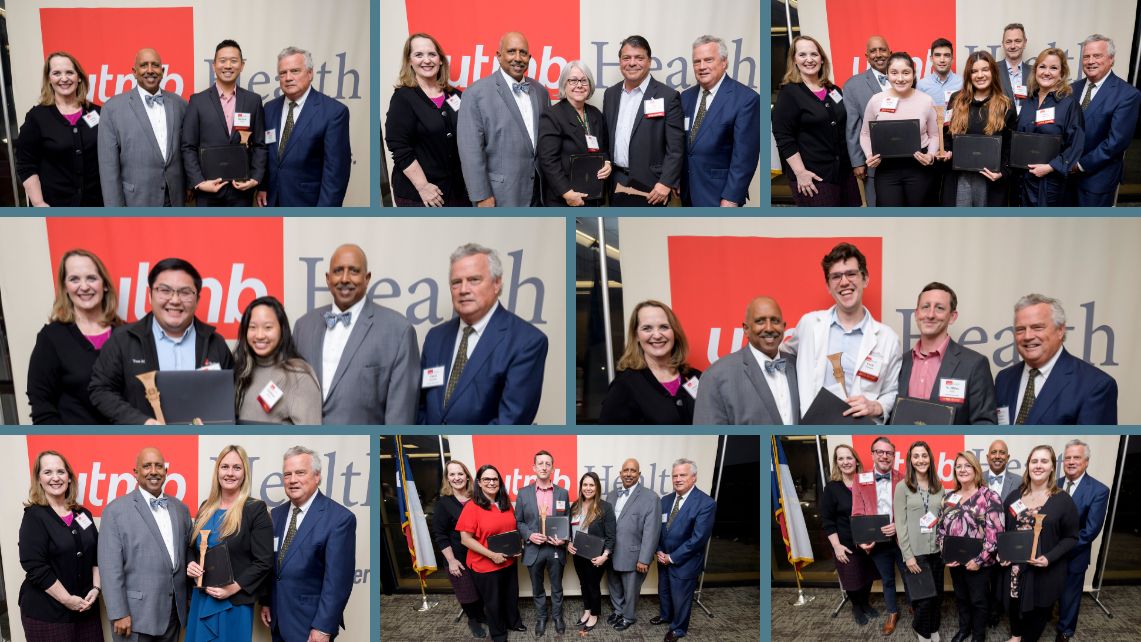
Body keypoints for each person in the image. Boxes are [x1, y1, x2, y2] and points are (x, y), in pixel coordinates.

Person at [89, 257, 234, 424]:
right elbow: (100, 390)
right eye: (165, 290)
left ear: (197, 299)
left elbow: (230, 395)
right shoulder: (123, 340)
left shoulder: (215, 343)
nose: (175, 300)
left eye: (185, 292)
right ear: (150, 294)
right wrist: (140, 422)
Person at [420, 243, 548, 424]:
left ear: (496, 283)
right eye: (456, 282)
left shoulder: (526, 341)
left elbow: (511, 420)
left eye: (474, 280)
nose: (463, 289)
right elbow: (420, 405)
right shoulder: (435, 337)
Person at [293, 244, 419, 424]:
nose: (344, 278)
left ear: (367, 278)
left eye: (353, 271)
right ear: (328, 279)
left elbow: (400, 417)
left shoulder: (398, 331)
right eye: (338, 271)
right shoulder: (303, 327)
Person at [784, 242, 902, 422]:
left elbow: (891, 391)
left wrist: (876, 406)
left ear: (865, 279)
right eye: (836, 276)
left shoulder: (888, 338)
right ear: (828, 286)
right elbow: (785, 358)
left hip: (860, 427)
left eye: (851, 274)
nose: (844, 282)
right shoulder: (809, 324)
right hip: (813, 424)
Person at [261, 446, 356, 641]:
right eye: (287, 474)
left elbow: (338, 583)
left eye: (300, 473)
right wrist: (267, 601)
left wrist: (323, 628)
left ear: (317, 476)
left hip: (310, 625)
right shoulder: (276, 515)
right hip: (278, 620)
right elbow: (274, 566)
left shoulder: (339, 519)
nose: (292, 480)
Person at [99, 447, 192, 642]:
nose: (153, 471)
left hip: (173, 615)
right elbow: (109, 568)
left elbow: (185, 559)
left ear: (166, 472)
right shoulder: (115, 511)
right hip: (134, 618)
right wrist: (118, 613)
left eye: (159, 466)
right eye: (147, 466)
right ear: (136, 472)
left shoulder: (181, 510)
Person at [184, 445, 274, 641]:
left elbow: (264, 561)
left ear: (245, 473)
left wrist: (233, 587)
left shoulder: (255, 509)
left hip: (234, 603)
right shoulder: (205, 507)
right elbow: (192, 548)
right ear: (217, 471)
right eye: (225, 467)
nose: (230, 473)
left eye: (237, 467)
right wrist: (190, 564)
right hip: (202, 600)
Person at [27, 249, 123, 424]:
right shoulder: (52, 338)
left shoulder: (126, 334)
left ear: (105, 284)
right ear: (65, 288)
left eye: (91, 278)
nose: (84, 286)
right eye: (74, 279)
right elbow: (41, 404)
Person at [456, 31, 549, 207]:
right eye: (511, 51)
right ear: (499, 56)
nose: (518, 57)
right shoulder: (475, 94)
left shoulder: (540, 92)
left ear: (529, 57)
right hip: (500, 195)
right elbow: (470, 151)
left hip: (540, 193)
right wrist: (481, 196)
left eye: (523, 52)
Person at [994, 294, 1117, 425]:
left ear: (1060, 331)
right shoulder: (1004, 379)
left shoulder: (1095, 385)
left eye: (1037, 327)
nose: (1027, 336)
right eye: (1020, 329)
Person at [18, 451, 101, 641]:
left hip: (86, 610)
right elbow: (34, 566)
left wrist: (96, 589)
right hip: (48, 614)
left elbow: (97, 555)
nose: (55, 478)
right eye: (47, 472)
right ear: (38, 479)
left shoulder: (83, 514)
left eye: (61, 472)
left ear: (69, 478)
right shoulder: (34, 516)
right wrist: (66, 600)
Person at [999, 445, 1078, 642]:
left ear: (1053, 467)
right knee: (1015, 603)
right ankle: (1016, 636)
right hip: (1016, 568)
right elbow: (1004, 531)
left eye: (1044, 461)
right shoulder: (1014, 497)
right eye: (1034, 461)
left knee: (1039, 609)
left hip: (1044, 569)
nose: (1038, 466)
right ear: (1028, 466)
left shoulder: (1062, 500)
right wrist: (1003, 553)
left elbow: (1071, 538)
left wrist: (1049, 558)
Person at [257, 46, 351, 207]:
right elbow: (267, 153)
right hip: (272, 201)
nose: (288, 78)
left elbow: (336, 174)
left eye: (295, 71)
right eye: (282, 73)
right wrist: (263, 186)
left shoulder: (334, 112)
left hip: (308, 205)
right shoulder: (269, 109)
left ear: (310, 73)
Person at [772, 35, 859, 207]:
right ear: (794, 60)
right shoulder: (789, 93)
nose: (809, 59)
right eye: (802, 55)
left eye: (814, 54)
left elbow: (846, 126)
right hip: (814, 178)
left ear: (822, 59)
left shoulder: (834, 90)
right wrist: (800, 173)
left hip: (844, 174)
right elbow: (783, 136)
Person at [385, 33, 469, 207]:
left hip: (457, 192)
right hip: (420, 196)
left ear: (440, 60)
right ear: (409, 61)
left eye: (432, 54)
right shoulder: (403, 98)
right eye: (419, 55)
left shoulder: (457, 96)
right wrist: (423, 187)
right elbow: (399, 147)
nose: (427, 60)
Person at [97, 48, 187, 206]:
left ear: (163, 70)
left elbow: (187, 151)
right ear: (134, 71)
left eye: (155, 65)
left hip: (174, 200)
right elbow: (108, 169)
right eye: (144, 65)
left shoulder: (180, 104)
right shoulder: (112, 109)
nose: (150, 70)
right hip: (135, 202)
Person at [182, 40, 266, 207]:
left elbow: (260, 145)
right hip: (207, 191)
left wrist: (255, 178)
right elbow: (188, 146)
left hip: (242, 190)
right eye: (222, 61)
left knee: (240, 233)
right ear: (214, 65)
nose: (228, 65)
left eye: (234, 61)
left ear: (242, 65)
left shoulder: (253, 101)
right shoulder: (197, 101)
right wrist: (198, 182)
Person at [896, 282, 996, 424]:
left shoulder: (974, 364)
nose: (930, 315)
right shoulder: (900, 362)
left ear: (952, 316)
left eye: (939, 308)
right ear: (917, 313)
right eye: (925, 307)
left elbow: (985, 423)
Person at [603, 35, 684, 207]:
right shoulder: (610, 94)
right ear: (620, 62)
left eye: (639, 58)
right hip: (616, 181)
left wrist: (666, 183)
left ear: (649, 61)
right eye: (626, 58)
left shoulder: (668, 96)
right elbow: (606, 138)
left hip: (653, 187)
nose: (632, 63)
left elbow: (676, 148)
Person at [693, 295, 799, 424]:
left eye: (775, 321)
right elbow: (709, 435)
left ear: (784, 326)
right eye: (760, 321)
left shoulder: (799, 366)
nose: (769, 328)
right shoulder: (715, 376)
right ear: (746, 329)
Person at [681, 35, 760, 207]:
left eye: (708, 60)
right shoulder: (685, 98)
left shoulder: (746, 99)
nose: (702, 67)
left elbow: (745, 157)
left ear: (724, 62)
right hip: (687, 193)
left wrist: (731, 197)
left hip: (720, 196)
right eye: (697, 61)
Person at [15, 52, 103, 206]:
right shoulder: (37, 117)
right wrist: (39, 203)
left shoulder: (99, 113)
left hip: (97, 205)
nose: (64, 78)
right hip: (54, 207)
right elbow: (26, 164)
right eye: (56, 73)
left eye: (69, 72)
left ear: (79, 77)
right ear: (49, 79)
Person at [936, 452, 1003, 642]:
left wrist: (979, 560)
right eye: (958, 466)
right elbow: (941, 529)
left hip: (980, 564)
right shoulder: (948, 497)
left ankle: (978, 635)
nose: (962, 470)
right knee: (961, 597)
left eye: (967, 466)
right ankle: (964, 629)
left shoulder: (989, 497)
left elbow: (996, 534)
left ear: (976, 469)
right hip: (956, 562)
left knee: (978, 600)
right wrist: (946, 554)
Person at [599, 300, 701, 424]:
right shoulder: (624, 386)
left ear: (674, 332)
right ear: (636, 335)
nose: (657, 335)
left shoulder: (696, 377)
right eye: (647, 328)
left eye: (664, 327)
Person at [1068, 34, 1141, 206]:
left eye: (1097, 56)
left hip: (1096, 181)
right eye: (1086, 56)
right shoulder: (1073, 89)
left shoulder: (1127, 95)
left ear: (1111, 59)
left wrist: (1079, 165)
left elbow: (1116, 142)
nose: (1090, 61)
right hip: (1065, 176)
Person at [457, 464, 526, 641]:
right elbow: (465, 539)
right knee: (493, 602)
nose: (491, 482)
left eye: (495, 479)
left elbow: (512, 529)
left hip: (508, 561)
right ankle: (499, 634)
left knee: (511, 595)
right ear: (479, 482)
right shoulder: (472, 507)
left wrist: (517, 546)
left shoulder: (505, 503)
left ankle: (514, 622)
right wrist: (491, 555)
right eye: (487, 479)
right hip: (485, 565)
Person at [860, 52, 940, 206]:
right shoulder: (876, 100)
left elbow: (934, 135)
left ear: (913, 74)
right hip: (886, 169)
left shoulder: (926, 100)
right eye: (894, 73)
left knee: (920, 216)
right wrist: (869, 154)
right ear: (887, 75)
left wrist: (930, 156)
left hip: (919, 168)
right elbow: (864, 134)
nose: (900, 78)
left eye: (906, 73)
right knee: (891, 219)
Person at [941, 51, 1017, 207]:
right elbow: (947, 135)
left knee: (986, 227)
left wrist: (1003, 171)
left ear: (993, 72)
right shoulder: (956, 100)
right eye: (974, 71)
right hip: (959, 177)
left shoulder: (1006, 105)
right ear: (969, 75)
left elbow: (1011, 147)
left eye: (985, 69)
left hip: (990, 179)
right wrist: (946, 151)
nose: (980, 75)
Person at [653, 459, 716, 641]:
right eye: (675, 475)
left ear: (694, 478)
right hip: (663, 557)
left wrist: (671, 557)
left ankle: (678, 629)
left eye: (682, 475)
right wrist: (658, 550)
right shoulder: (665, 500)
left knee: (681, 598)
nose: (678, 479)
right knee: (664, 590)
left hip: (685, 562)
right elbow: (659, 529)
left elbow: (698, 539)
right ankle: (666, 616)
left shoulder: (706, 503)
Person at [234, 296, 322, 424]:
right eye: (252, 327)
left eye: (268, 327)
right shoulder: (241, 370)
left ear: (282, 329)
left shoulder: (299, 376)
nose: (259, 335)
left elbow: (311, 435)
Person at [850, 437, 907, 634]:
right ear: (872, 454)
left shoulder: (904, 478)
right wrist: (863, 540)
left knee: (910, 575)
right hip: (877, 542)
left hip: (900, 539)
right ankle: (892, 613)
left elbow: (909, 511)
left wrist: (897, 527)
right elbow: (857, 513)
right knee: (887, 579)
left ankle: (916, 607)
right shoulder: (860, 479)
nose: (884, 456)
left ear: (894, 455)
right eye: (880, 452)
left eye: (888, 453)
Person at [1015, 48, 1084, 207]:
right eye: (1042, 67)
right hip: (1022, 180)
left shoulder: (1069, 104)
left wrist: (1050, 167)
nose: (1047, 72)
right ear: (1035, 70)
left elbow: (1075, 144)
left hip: (1049, 183)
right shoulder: (1028, 101)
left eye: (1053, 68)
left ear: (1062, 73)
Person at [537, 60, 612, 206]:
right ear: (564, 84)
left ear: (589, 85)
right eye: (573, 80)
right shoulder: (552, 115)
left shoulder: (595, 114)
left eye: (584, 81)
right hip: (564, 198)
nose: (579, 85)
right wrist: (566, 193)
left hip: (593, 196)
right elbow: (548, 160)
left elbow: (604, 149)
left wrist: (608, 163)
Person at [1056, 440, 1110, 642]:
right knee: (1050, 592)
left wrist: (1060, 549)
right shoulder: (1055, 484)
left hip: (1074, 554)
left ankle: (1065, 631)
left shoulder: (1099, 490)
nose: (1071, 462)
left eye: (1076, 457)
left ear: (1086, 462)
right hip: (1049, 553)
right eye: (1067, 457)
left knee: (1070, 597)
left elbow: (1090, 531)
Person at [894, 441, 946, 642]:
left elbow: (941, 518)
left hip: (937, 552)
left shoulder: (938, 486)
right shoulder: (902, 487)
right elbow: (900, 523)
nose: (921, 460)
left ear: (930, 458)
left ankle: (933, 628)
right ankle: (921, 630)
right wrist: (908, 556)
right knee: (923, 598)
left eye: (924, 455)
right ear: (910, 460)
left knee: (937, 596)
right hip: (916, 553)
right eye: (916, 456)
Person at [820, 444, 877, 626]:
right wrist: (836, 546)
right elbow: (827, 521)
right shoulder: (831, 488)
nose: (845, 462)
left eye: (849, 458)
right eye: (841, 458)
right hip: (845, 544)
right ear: (836, 463)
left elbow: (876, 510)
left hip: (867, 541)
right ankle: (856, 607)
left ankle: (866, 603)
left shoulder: (867, 482)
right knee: (852, 580)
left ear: (856, 460)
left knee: (867, 576)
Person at [429, 460, 487, 638]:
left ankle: (481, 615)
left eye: (460, 473)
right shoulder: (444, 503)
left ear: (467, 476)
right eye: (452, 474)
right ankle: (472, 619)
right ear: (447, 479)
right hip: (458, 556)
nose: (457, 478)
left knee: (480, 590)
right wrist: (451, 560)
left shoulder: (478, 498)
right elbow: (440, 535)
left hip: (480, 555)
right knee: (466, 592)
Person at [514, 451, 569, 636]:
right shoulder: (523, 493)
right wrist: (529, 535)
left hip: (555, 549)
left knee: (557, 587)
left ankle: (557, 617)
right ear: (534, 468)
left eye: (548, 464)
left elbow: (566, 520)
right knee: (537, 587)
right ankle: (541, 618)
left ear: (553, 468)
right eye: (540, 463)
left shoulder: (562, 493)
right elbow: (519, 522)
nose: (544, 467)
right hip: (533, 549)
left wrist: (563, 538)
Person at [605, 458, 660, 631]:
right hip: (611, 552)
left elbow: (652, 531)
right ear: (620, 473)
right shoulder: (612, 495)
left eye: (633, 470)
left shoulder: (650, 497)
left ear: (639, 474)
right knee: (613, 584)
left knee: (630, 590)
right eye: (626, 470)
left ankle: (628, 617)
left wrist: (644, 559)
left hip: (634, 554)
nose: (629, 474)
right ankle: (618, 610)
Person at [843, 36, 892, 206]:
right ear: (867, 56)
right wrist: (857, 162)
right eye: (873, 51)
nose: (878, 54)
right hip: (874, 164)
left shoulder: (906, 78)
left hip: (907, 162)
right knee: (877, 209)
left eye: (882, 50)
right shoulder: (853, 85)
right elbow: (853, 127)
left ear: (890, 53)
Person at [566, 471, 615, 632]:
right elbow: (569, 530)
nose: (588, 488)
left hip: (596, 556)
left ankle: (594, 614)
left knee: (593, 585)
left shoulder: (605, 507)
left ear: (597, 487)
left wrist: (604, 556)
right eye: (585, 485)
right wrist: (568, 543)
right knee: (583, 583)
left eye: (591, 485)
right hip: (578, 554)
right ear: (581, 487)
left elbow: (611, 536)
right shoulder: (575, 506)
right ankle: (587, 610)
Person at [984, 439, 1021, 628]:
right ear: (987, 456)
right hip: (982, 541)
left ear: (1008, 457)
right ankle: (985, 610)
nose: (997, 456)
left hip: (1008, 540)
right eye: (994, 452)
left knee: (1001, 580)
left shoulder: (1020, 481)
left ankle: (997, 611)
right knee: (984, 579)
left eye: (1002, 453)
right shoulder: (977, 478)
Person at [997, 24, 1032, 116]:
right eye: (1008, 42)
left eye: (1017, 41)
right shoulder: (992, 70)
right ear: (1003, 44)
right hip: (1000, 127)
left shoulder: (1035, 72)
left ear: (1025, 43)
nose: (1013, 46)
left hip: (1025, 129)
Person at [917, 38, 962, 108]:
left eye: (946, 55)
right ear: (931, 59)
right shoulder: (921, 85)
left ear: (952, 59)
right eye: (938, 55)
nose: (942, 60)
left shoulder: (963, 83)